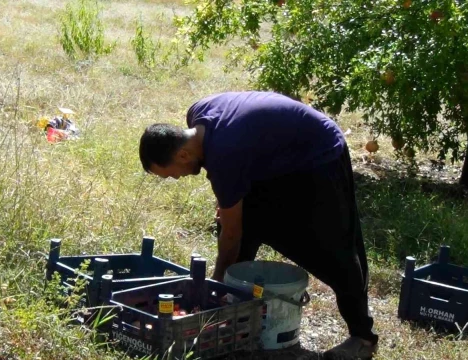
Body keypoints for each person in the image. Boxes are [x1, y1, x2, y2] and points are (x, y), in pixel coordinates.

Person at [138, 91, 378, 359]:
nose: (176, 178)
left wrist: (213, 284)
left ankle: (362, 338)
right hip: (277, 163)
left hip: (318, 155)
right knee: (246, 223)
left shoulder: (225, 154)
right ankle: (231, 315)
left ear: (182, 154)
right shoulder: (197, 115)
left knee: (331, 249)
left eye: (170, 174)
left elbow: (231, 236)